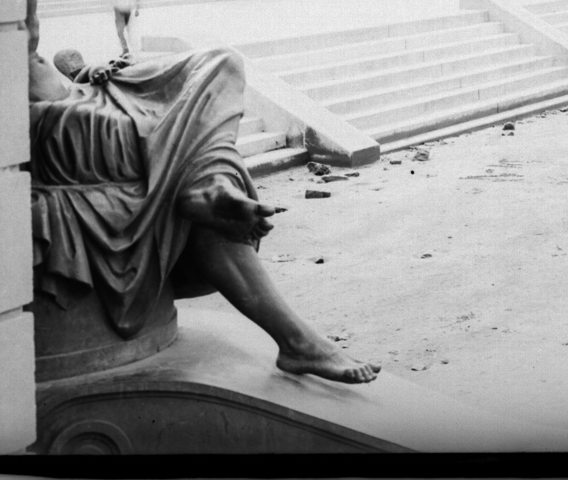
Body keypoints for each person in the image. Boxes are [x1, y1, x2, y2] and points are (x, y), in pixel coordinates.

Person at [28, 44, 380, 383]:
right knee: (192, 179)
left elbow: (58, 57)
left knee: (223, 61)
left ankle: (210, 183)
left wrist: (83, 74)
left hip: (94, 94)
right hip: (63, 119)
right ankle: (296, 339)